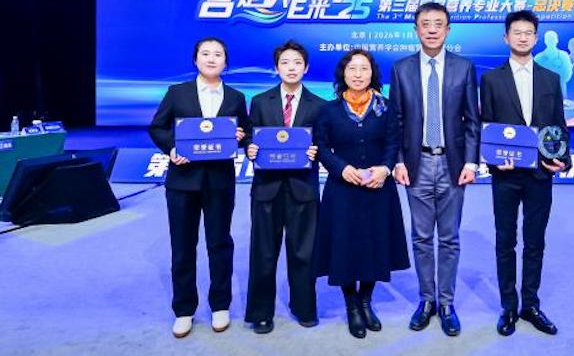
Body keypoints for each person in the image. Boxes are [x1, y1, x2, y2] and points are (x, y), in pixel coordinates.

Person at [148, 37, 250, 338]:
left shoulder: (236, 97)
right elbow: (157, 127)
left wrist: (241, 136)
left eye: (218, 54)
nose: (211, 58)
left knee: (220, 243)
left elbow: (245, 133)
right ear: (195, 60)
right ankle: (184, 309)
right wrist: (172, 148)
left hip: (219, 181)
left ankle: (220, 304)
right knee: (182, 246)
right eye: (205, 53)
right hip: (182, 181)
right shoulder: (177, 92)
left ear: (225, 63)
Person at [389, 2, 480, 336]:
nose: (431, 29)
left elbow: (472, 120)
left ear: (448, 30)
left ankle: (447, 303)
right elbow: (396, 120)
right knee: (422, 237)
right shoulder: (401, 69)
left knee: (450, 238)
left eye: (438, 24)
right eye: (425, 23)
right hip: (416, 163)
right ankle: (426, 300)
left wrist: (471, 161)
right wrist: (398, 160)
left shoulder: (464, 68)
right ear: (416, 29)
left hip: (453, 164)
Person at [479, 11, 571, 337]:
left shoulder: (550, 79)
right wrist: (493, 161)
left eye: (528, 32)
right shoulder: (491, 79)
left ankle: (530, 304)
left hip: (540, 174)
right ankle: (508, 306)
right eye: (516, 32)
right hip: (505, 175)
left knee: (535, 242)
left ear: (536, 37)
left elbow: (558, 124)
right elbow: (487, 126)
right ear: (506, 37)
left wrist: (563, 159)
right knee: (505, 241)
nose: (522, 37)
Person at [314, 49, 410, 338]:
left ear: (372, 74)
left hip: (377, 187)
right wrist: (341, 168)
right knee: (344, 245)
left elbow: (394, 142)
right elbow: (321, 147)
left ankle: (366, 301)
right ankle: (351, 305)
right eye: (352, 69)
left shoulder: (385, 107)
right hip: (342, 189)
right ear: (343, 74)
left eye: (364, 69)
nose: (358, 74)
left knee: (374, 243)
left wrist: (385, 168)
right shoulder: (328, 110)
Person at [244, 40, 325, 334]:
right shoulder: (260, 101)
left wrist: (317, 151)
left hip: (303, 187)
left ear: (306, 68)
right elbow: (250, 136)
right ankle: (260, 313)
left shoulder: (320, 105)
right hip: (267, 187)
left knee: (303, 251)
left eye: (297, 63)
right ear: (276, 68)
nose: (291, 68)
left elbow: (325, 143)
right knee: (263, 252)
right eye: (285, 63)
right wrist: (249, 148)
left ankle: (304, 307)